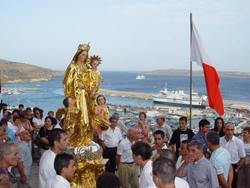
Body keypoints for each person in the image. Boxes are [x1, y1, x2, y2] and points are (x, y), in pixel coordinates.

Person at [63, 43, 91, 134]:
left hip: (86, 94)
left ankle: (84, 134)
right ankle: (74, 135)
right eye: (83, 54)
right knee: (77, 114)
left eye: (86, 55)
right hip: (76, 95)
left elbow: (90, 79)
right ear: (78, 54)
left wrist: (88, 86)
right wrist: (78, 84)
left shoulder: (87, 67)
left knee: (86, 114)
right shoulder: (73, 66)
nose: (84, 57)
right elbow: (68, 81)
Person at [220, 122, 246, 188]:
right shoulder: (219, 141)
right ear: (224, 130)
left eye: (232, 130)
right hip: (221, 167)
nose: (230, 132)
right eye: (228, 129)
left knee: (233, 186)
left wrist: (237, 169)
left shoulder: (239, 142)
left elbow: (243, 157)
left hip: (234, 167)